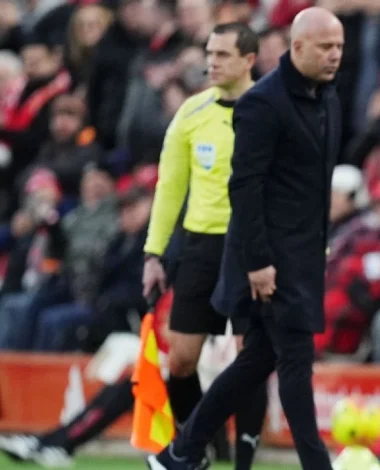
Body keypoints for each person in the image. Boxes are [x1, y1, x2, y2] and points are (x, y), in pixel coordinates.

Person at [146, 7, 344, 470]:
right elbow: (245, 186)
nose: (334, 55)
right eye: (324, 47)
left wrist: (321, 245)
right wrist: (257, 262)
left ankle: (180, 452)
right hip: (267, 259)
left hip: (304, 255)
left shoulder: (329, 99)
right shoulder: (264, 102)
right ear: (296, 48)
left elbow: (317, 186)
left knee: (257, 360)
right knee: (295, 361)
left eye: (338, 47)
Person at [140, 22, 268, 470]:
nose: (211, 62)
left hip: (253, 247)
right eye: (209, 53)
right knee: (180, 360)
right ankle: (204, 450)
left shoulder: (272, 108)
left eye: (222, 55)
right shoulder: (192, 113)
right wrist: (155, 254)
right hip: (201, 246)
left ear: (249, 60)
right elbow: (169, 187)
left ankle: (244, 463)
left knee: (248, 358)